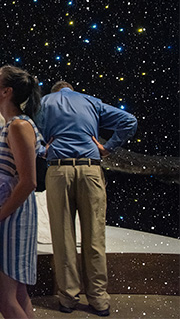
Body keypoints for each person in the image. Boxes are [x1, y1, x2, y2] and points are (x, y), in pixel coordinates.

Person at [36, 81, 137, 317]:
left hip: (58, 171)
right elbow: (129, 121)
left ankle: (68, 298)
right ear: (70, 89)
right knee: (95, 236)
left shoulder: (43, 103)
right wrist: (108, 147)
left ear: (55, 91)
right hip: (90, 169)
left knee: (63, 237)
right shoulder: (91, 101)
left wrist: (42, 150)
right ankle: (99, 299)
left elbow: (22, 127)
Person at [0, 65, 43, 319]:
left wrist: (0, 216)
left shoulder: (18, 126)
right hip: (9, 214)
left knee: (3, 300)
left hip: (11, 217)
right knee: (17, 295)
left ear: (6, 92)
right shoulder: (12, 125)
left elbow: (28, 181)